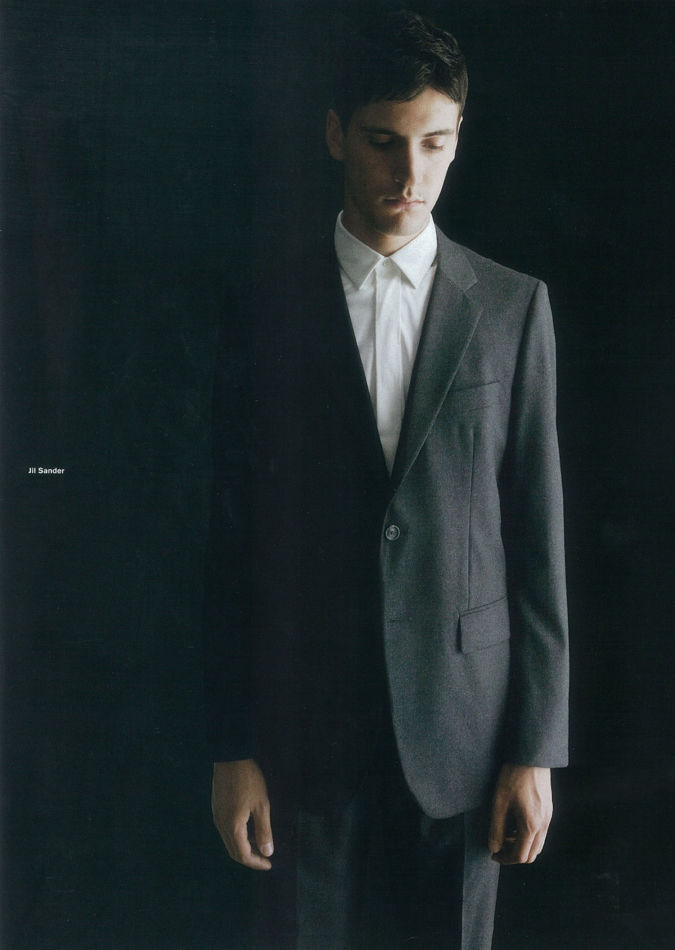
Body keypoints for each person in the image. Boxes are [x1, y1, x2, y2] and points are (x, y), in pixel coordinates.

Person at [204, 10, 569, 949]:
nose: (409, 174)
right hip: (303, 736)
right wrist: (232, 746)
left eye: (434, 144)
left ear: (457, 139)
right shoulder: (259, 311)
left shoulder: (512, 308)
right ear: (335, 134)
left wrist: (535, 750)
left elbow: (537, 541)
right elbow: (227, 545)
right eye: (382, 142)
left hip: (464, 734)